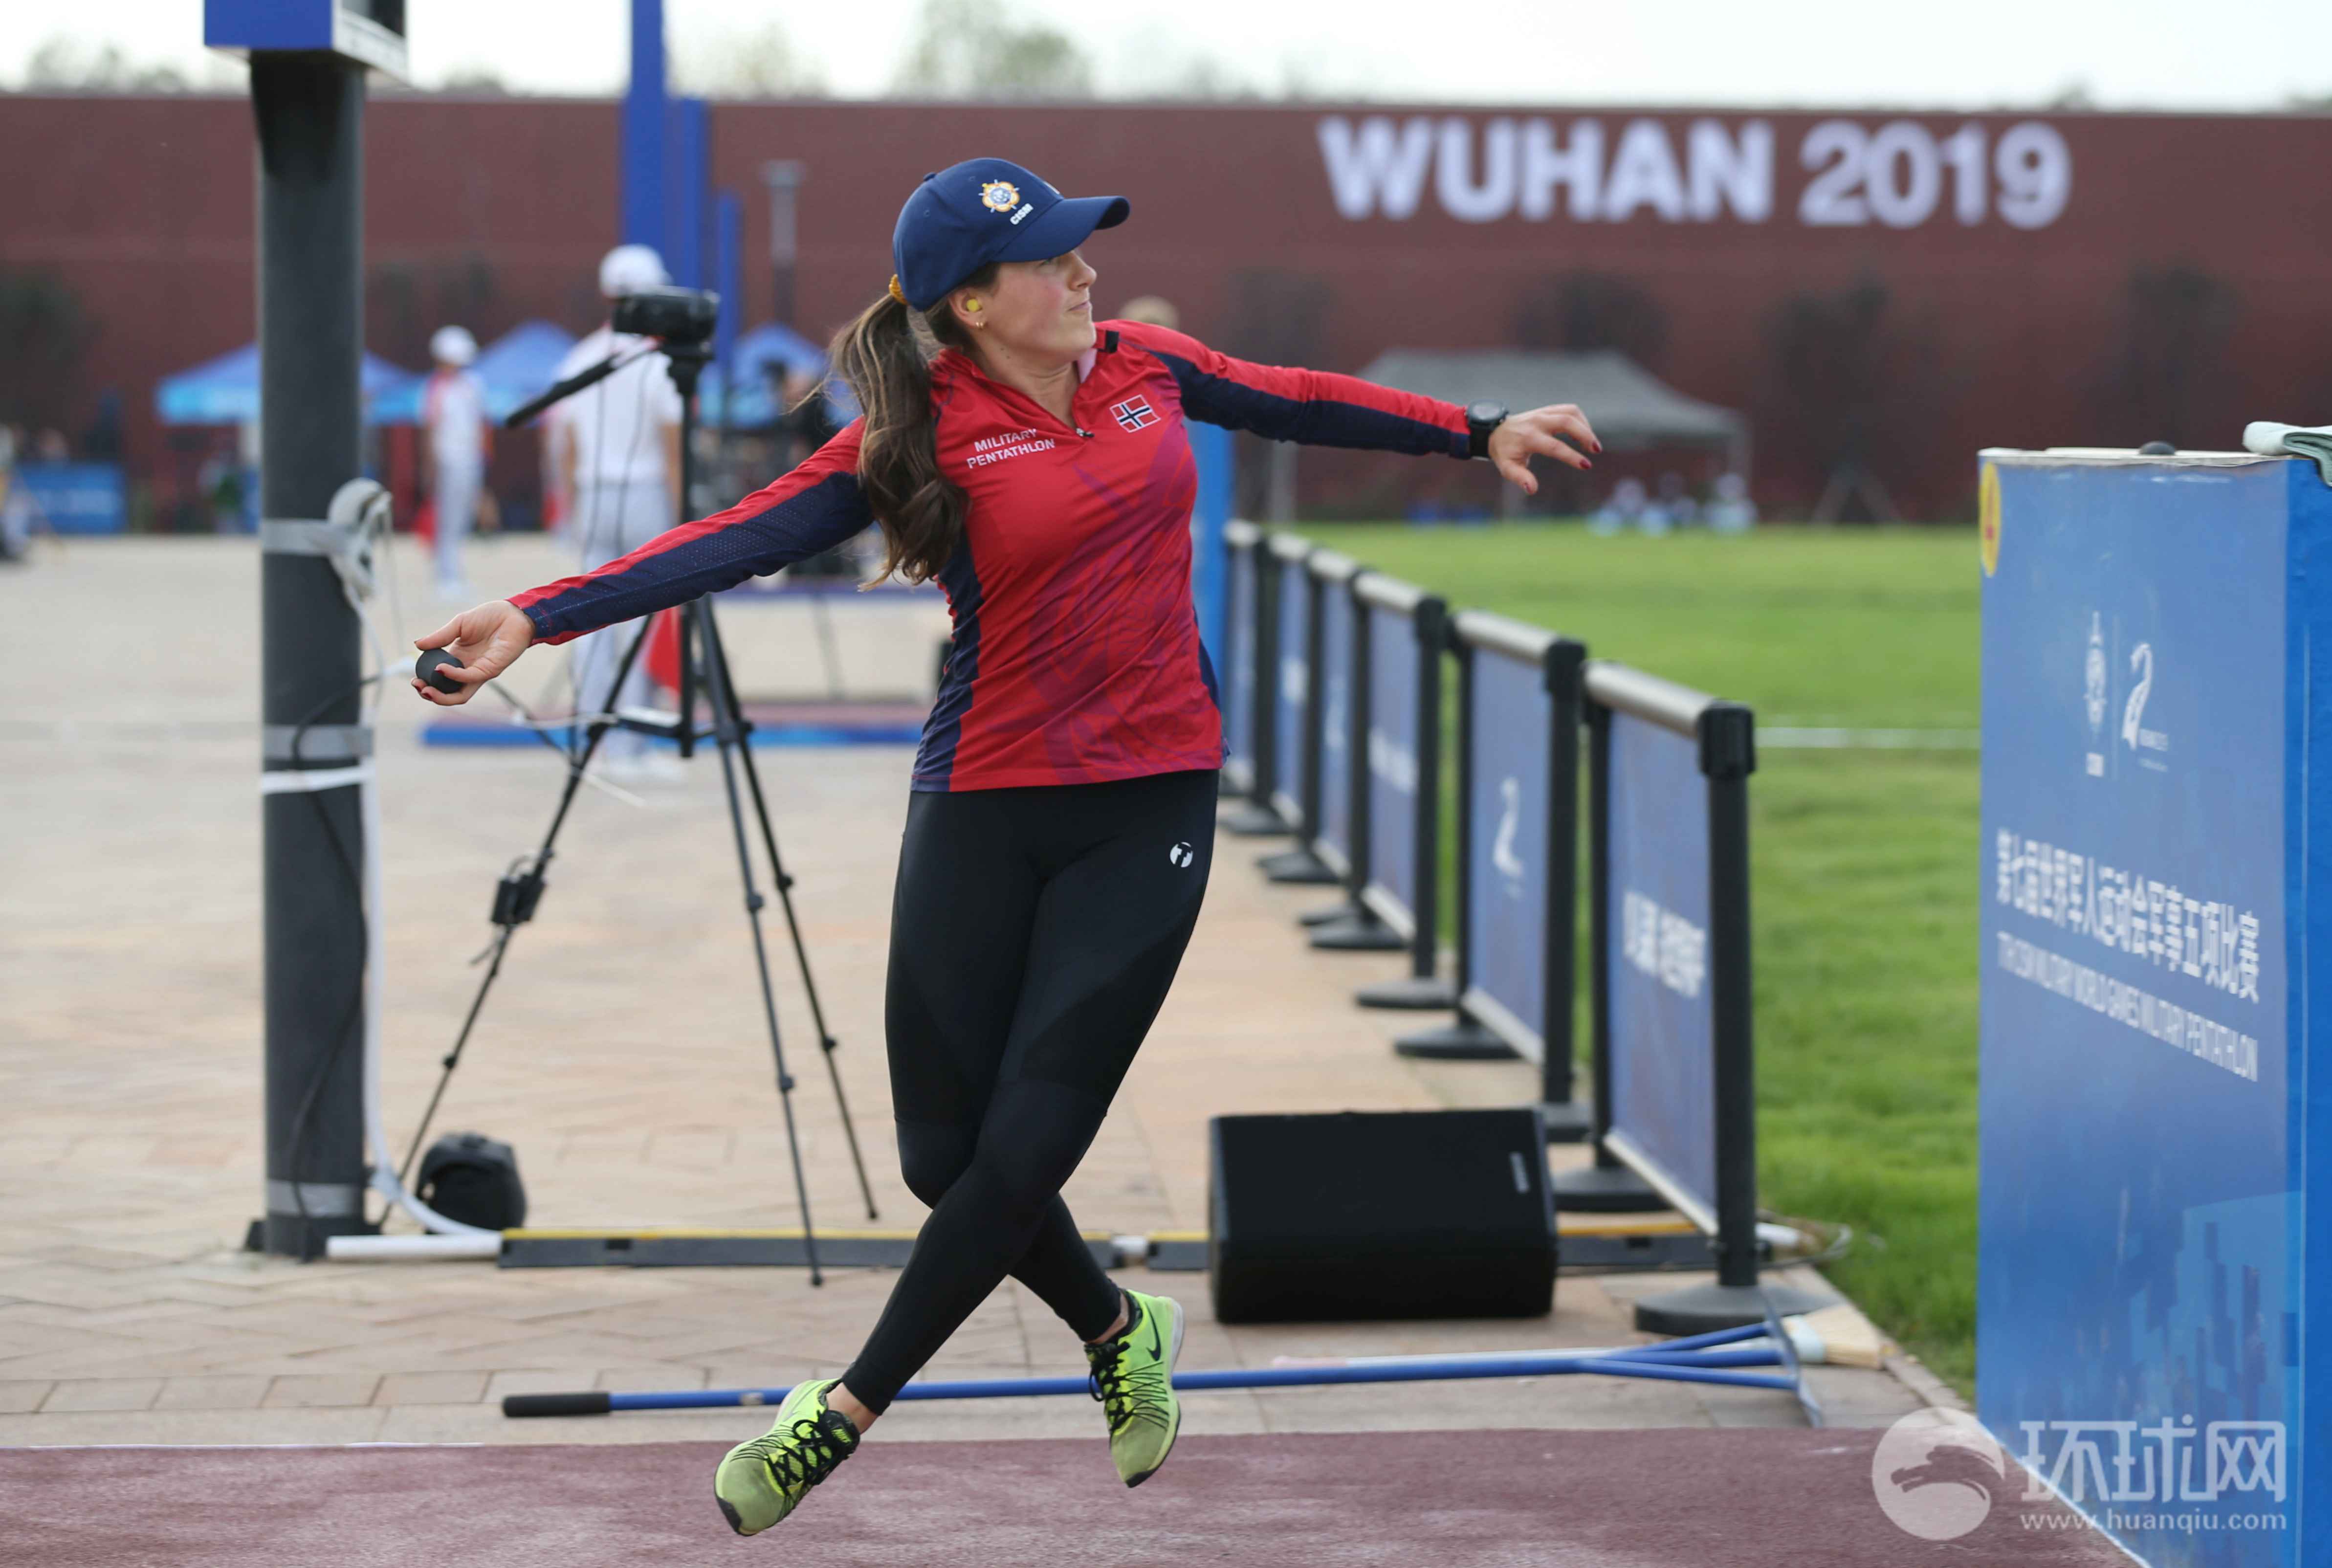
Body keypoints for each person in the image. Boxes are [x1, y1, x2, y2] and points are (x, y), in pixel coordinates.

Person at [410, 156, 1598, 1538]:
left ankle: (837, 1412)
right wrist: (538, 615)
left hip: (1148, 800)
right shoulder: (914, 431)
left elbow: (1299, 394)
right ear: (971, 303)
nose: (1086, 273)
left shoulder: (1147, 363)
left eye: (1084, 250)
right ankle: (1115, 1323)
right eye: (1055, 259)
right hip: (980, 794)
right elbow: (732, 538)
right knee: (942, 1156)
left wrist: (1476, 425)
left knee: (1023, 1144)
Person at [544, 243, 685, 776]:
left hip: (593, 494)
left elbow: (568, 446)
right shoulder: (657, 359)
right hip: (645, 492)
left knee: (591, 623)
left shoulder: (580, 357)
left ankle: (591, 741)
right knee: (643, 623)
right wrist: (683, 518)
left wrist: (569, 511)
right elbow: (671, 444)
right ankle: (631, 745)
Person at [421, 325, 492, 600]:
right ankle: (445, 576)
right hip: (448, 462)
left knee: (461, 518)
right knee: (448, 519)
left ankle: (453, 572)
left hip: (469, 461)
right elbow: (431, 429)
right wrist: (431, 466)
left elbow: (480, 425)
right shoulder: (436, 388)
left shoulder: (472, 385)